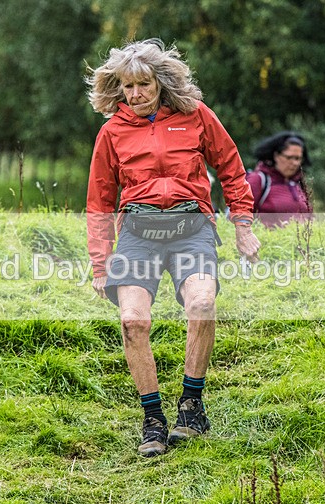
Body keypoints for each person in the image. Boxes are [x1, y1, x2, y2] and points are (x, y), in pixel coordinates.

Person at [85, 38, 261, 457]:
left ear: (160, 82)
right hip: (138, 233)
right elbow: (99, 201)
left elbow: (231, 166)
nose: (135, 94)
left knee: (202, 304)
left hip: (191, 227)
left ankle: (191, 407)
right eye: (128, 86)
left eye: (143, 84)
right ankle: (153, 419)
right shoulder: (112, 132)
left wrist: (242, 225)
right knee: (132, 321)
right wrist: (100, 264)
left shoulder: (195, 115)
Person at [246, 130, 313, 227]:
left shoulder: (298, 183)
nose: (295, 163)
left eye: (298, 158)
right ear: (276, 156)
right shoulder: (258, 180)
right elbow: (238, 216)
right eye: (289, 157)